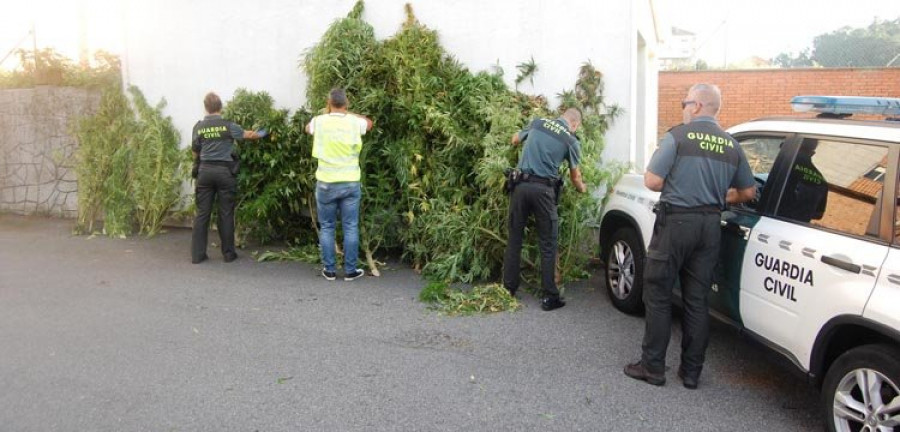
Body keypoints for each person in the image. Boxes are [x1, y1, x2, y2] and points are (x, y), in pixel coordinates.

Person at [624, 84, 756, 389]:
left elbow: (652, 181)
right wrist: (721, 199)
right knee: (697, 300)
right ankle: (691, 372)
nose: (683, 108)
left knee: (657, 293)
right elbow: (749, 191)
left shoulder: (678, 136)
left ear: (697, 106)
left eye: (685, 102)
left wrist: (680, 185)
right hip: (710, 226)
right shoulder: (732, 145)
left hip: (676, 225)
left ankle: (653, 367)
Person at [502, 108, 587, 311]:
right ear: (574, 124)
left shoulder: (538, 122)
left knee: (514, 239)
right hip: (544, 192)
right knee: (548, 243)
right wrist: (582, 189)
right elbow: (575, 176)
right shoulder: (571, 141)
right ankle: (549, 297)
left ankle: (508, 290)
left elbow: (514, 139)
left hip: (520, 187)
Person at [305, 88, 373, 281]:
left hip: (326, 182)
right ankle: (350, 271)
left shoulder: (319, 121)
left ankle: (330, 270)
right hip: (350, 182)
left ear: (329, 103)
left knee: (327, 226)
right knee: (350, 226)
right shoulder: (354, 121)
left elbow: (307, 128)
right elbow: (369, 124)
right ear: (347, 103)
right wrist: (348, 113)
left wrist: (330, 113)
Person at [191, 92, 262, 264]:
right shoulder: (228, 126)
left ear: (206, 108)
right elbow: (248, 135)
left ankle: (197, 255)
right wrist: (264, 132)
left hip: (205, 172)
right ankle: (228, 254)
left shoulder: (199, 127)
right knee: (226, 213)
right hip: (224, 173)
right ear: (220, 107)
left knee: (202, 214)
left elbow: (195, 151)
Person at [776, 139, 827, 223]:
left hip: (774, 220)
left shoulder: (785, 166)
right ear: (812, 154)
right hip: (797, 228)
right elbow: (818, 215)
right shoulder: (821, 180)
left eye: (783, 145)